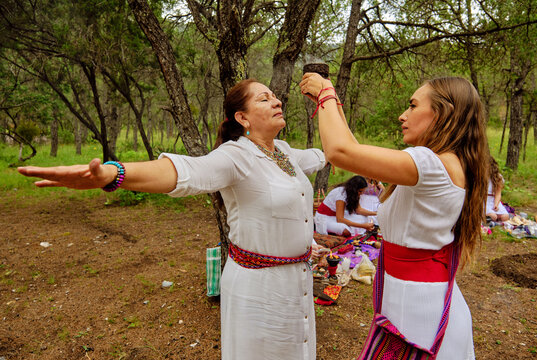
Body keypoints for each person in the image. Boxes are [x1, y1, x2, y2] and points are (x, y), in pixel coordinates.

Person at [18, 79, 326, 360]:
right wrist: (114, 174)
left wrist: (327, 103)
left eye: (275, 97)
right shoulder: (236, 155)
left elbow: (332, 152)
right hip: (260, 291)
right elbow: (187, 172)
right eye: (264, 99)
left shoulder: (284, 152)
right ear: (242, 118)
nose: (276, 102)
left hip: (296, 282)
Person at [300, 74, 487, 359]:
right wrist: (333, 104)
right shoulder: (444, 162)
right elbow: (356, 152)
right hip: (415, 297)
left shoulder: (431, 163)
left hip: (417, 307)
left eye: (413, 106)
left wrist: (325, 92)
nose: (403, 115)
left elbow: (340, 152)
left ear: (443, 113)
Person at [486, 156, 509, 223]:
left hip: (493, 199)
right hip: (483, 200)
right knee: (493, 216)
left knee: (505, 217)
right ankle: (483, 215)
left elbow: (498, 193)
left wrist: (496, 204)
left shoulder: (497, 177)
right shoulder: (479, 176)